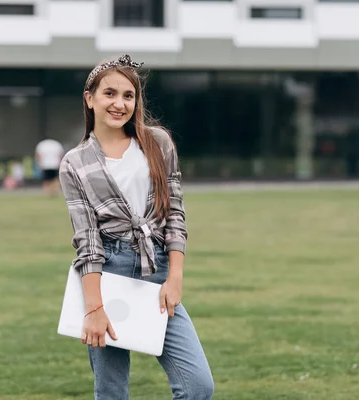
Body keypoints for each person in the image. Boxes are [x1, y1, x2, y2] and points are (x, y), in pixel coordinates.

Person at [58, 54, 214, 400]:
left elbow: (175, 214)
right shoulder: (75, 162)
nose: (120, 103)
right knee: (112, 392)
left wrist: (175, 277)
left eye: (129, 95)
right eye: (109, 94)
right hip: (107, 273)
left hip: (157, 270)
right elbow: (87, 242)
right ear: (90, 99)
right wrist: (94, 309)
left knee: (197, 386)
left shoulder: (158, 143)